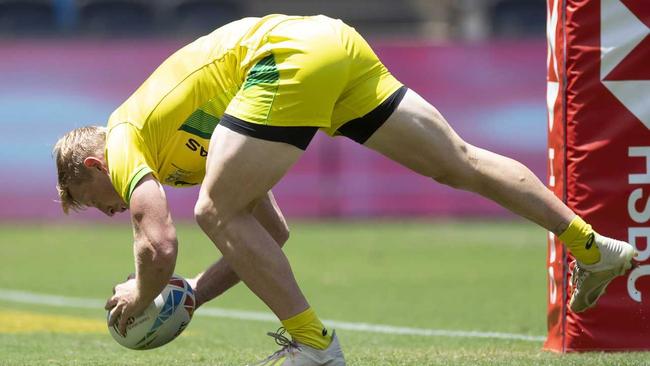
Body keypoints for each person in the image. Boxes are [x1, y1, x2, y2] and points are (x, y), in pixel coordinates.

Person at [53, 14, 635, 366]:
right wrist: (193, 297)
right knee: (458, 162)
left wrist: (142, 292)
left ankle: (314, 346)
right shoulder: (170, 147)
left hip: (281, 59)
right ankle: (593, 246)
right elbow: (273, 232)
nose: (107, 211)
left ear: (93, 162)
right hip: (332, 43)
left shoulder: (125, 134)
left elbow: (157, 247)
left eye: (90, 197)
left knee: (213, 209)